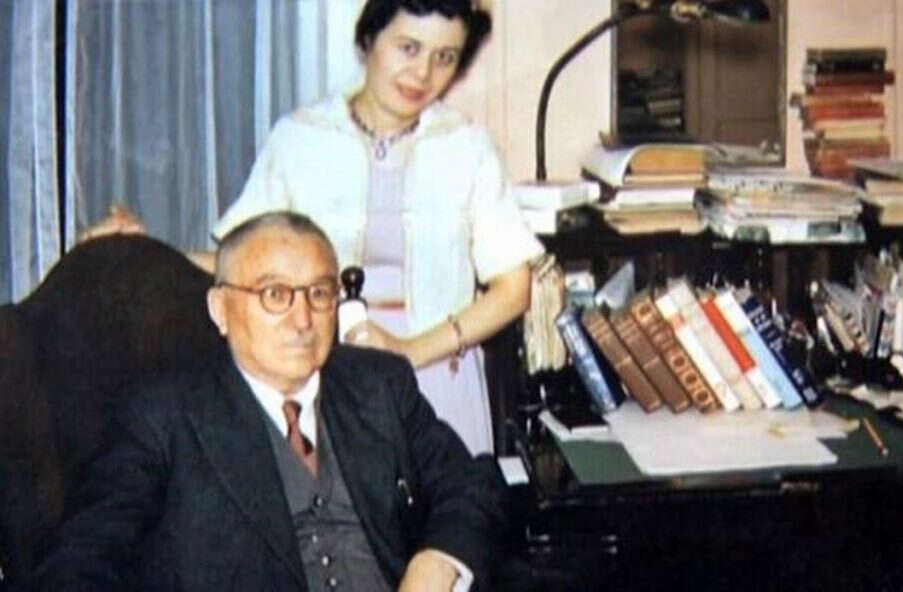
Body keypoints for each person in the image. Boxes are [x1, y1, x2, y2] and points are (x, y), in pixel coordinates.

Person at [88, 0, 544, 456]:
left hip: (437, 377)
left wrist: (411, 351)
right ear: (369, 40)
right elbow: (241, 260)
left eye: (444, 57)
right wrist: (145, 248)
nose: (423, 73)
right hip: (322, 375)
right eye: (408, 48)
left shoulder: (468, 148)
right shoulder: (301, 138)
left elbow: (513, 288)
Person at [37, 212, 507, 591]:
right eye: (275, 294)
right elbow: (79, 560)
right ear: (221, 310)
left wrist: (437, 562)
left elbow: (470, 484)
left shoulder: (377, 384)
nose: (302, 320)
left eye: (319, 294)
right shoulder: (163, 414)